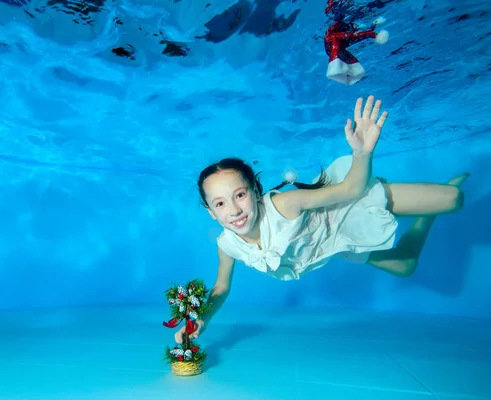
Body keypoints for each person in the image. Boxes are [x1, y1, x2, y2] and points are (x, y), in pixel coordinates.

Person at [174, 95, 468, 345]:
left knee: (453, 199)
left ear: (255, 191)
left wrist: (362, 152)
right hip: (337, 244)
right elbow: (221, 289)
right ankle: (426, 217)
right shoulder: (227, 245)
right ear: (211, 212)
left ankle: (425, 200)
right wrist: (202, 319)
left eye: (240, 195)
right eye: (221, 203)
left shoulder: (284, 204)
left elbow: (350, 190)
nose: (234, 211)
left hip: (342, 208)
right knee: (405, 266)